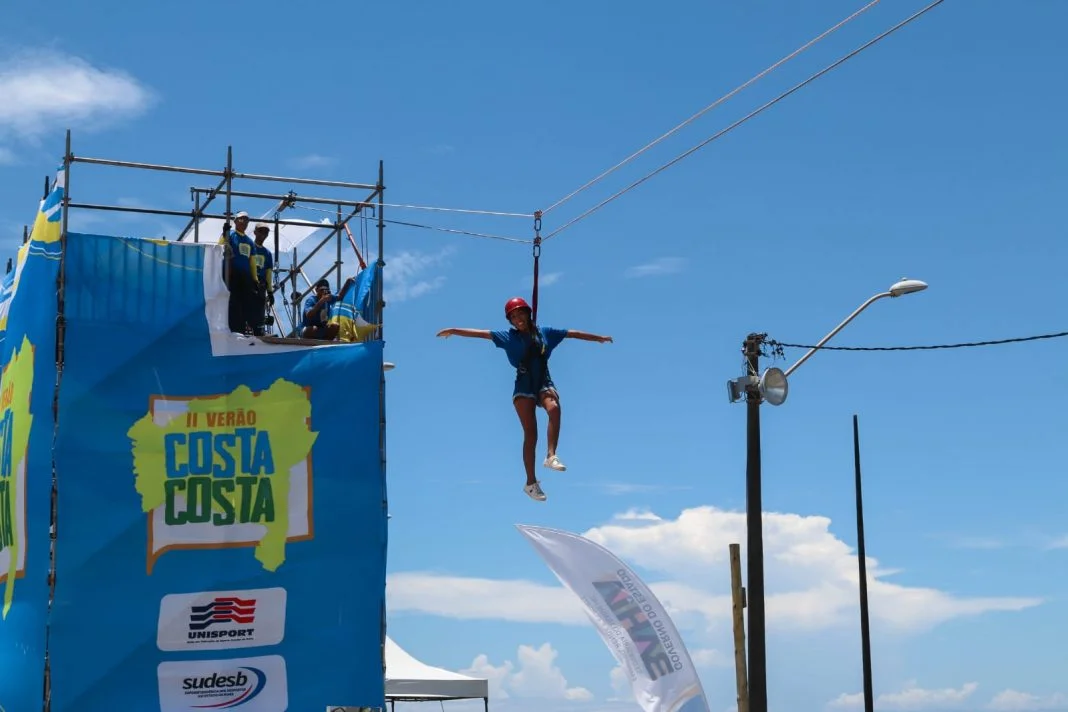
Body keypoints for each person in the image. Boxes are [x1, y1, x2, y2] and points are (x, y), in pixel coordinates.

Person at [437, 296, 613, 502]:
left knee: (554, 407)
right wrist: (454, 330)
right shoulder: (507, 337)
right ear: (509, 321)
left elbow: (571, 333)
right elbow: (481, 334)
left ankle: (551, 456)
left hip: (543, 380)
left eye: (520, 314)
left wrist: (598, 338)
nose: (517, 318)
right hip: (523, 384)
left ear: (528, 314)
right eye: (513, 317)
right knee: (531, 434)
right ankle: (531, 483)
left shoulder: (545, 333)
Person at [219, 211, 259, 334]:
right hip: (232, 274)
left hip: (245, 276)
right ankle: (233, 327)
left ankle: (244, 328)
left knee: (246, 302)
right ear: (235, 221)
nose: (244, 222)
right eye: (241, 219)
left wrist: (255, 279)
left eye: (246, 219)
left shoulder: (250, 241)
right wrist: (224, 234)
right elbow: (220, 247)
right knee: (233, 301)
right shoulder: (231, 235)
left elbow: (252, 262)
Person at [250, 223, 275, 335]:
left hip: (261, 284)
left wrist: (270, 291)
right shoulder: (250, 246)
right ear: (255, 232)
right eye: (261, 231)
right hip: (249, 281)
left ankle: (258, 330)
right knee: (246, 305)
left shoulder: (268, 253)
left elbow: (269, 273)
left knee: (260, 307)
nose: (263, 234)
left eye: (266, 232)